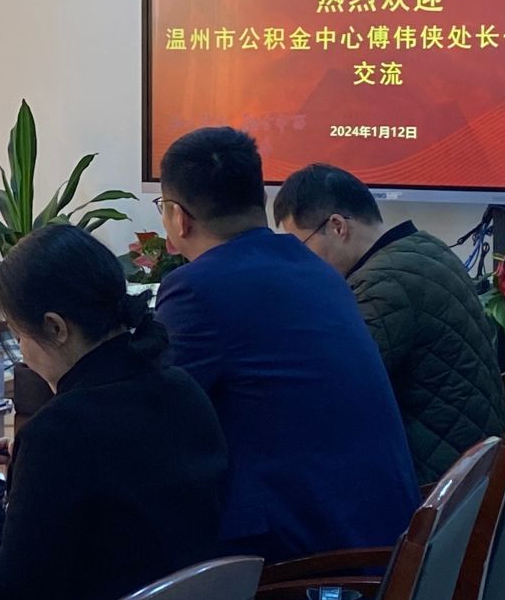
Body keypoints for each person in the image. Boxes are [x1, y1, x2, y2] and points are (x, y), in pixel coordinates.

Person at [0, 223, 228, 600]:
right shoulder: (183, 390)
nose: (22, 354)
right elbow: (122, 473)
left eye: (18, 336)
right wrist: (29, 467)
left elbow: (10, 594)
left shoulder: (60, 432)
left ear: (55, 328)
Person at [152, 127, 419, 561]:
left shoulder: (198, 288)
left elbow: (152, 417)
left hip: (313, 568)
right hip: (383, 538)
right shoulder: (317, 269)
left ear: (178, 217)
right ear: (259, 200)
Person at [274, 163, 505, 488]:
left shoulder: (383, 283)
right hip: (472, 460)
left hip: (437, 483)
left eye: (301, 247)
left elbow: (331, 391)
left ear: (337, 226)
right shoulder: (425, 247)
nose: (301, 263)